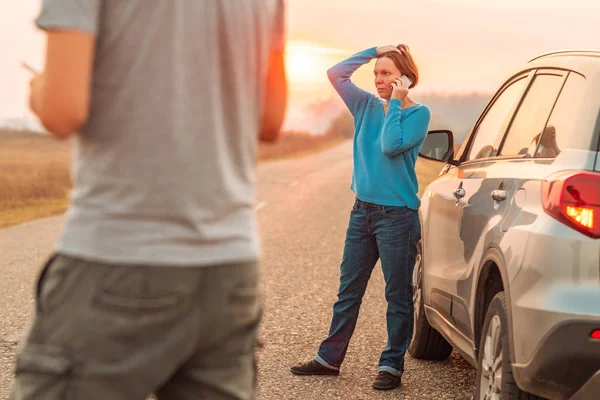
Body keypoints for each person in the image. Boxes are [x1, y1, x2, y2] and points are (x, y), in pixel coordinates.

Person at [12, 1, 286, 399]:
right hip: (230, 267)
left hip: (120, 255)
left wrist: (38, 89)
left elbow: (62, 109)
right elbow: (270, 119)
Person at [291, 44, 431, 391]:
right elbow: (335, 73)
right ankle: (329, 359)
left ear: (405, 78)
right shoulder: (365, 105)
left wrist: (396, 103)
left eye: (386, 73)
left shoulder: (418, 114)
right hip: (362, 212)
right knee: (348, 291)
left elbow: (389, 144)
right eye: (376, 74)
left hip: (397, 218)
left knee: (397, 295)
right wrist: (374, 52)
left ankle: (391, 365)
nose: (379, 80)